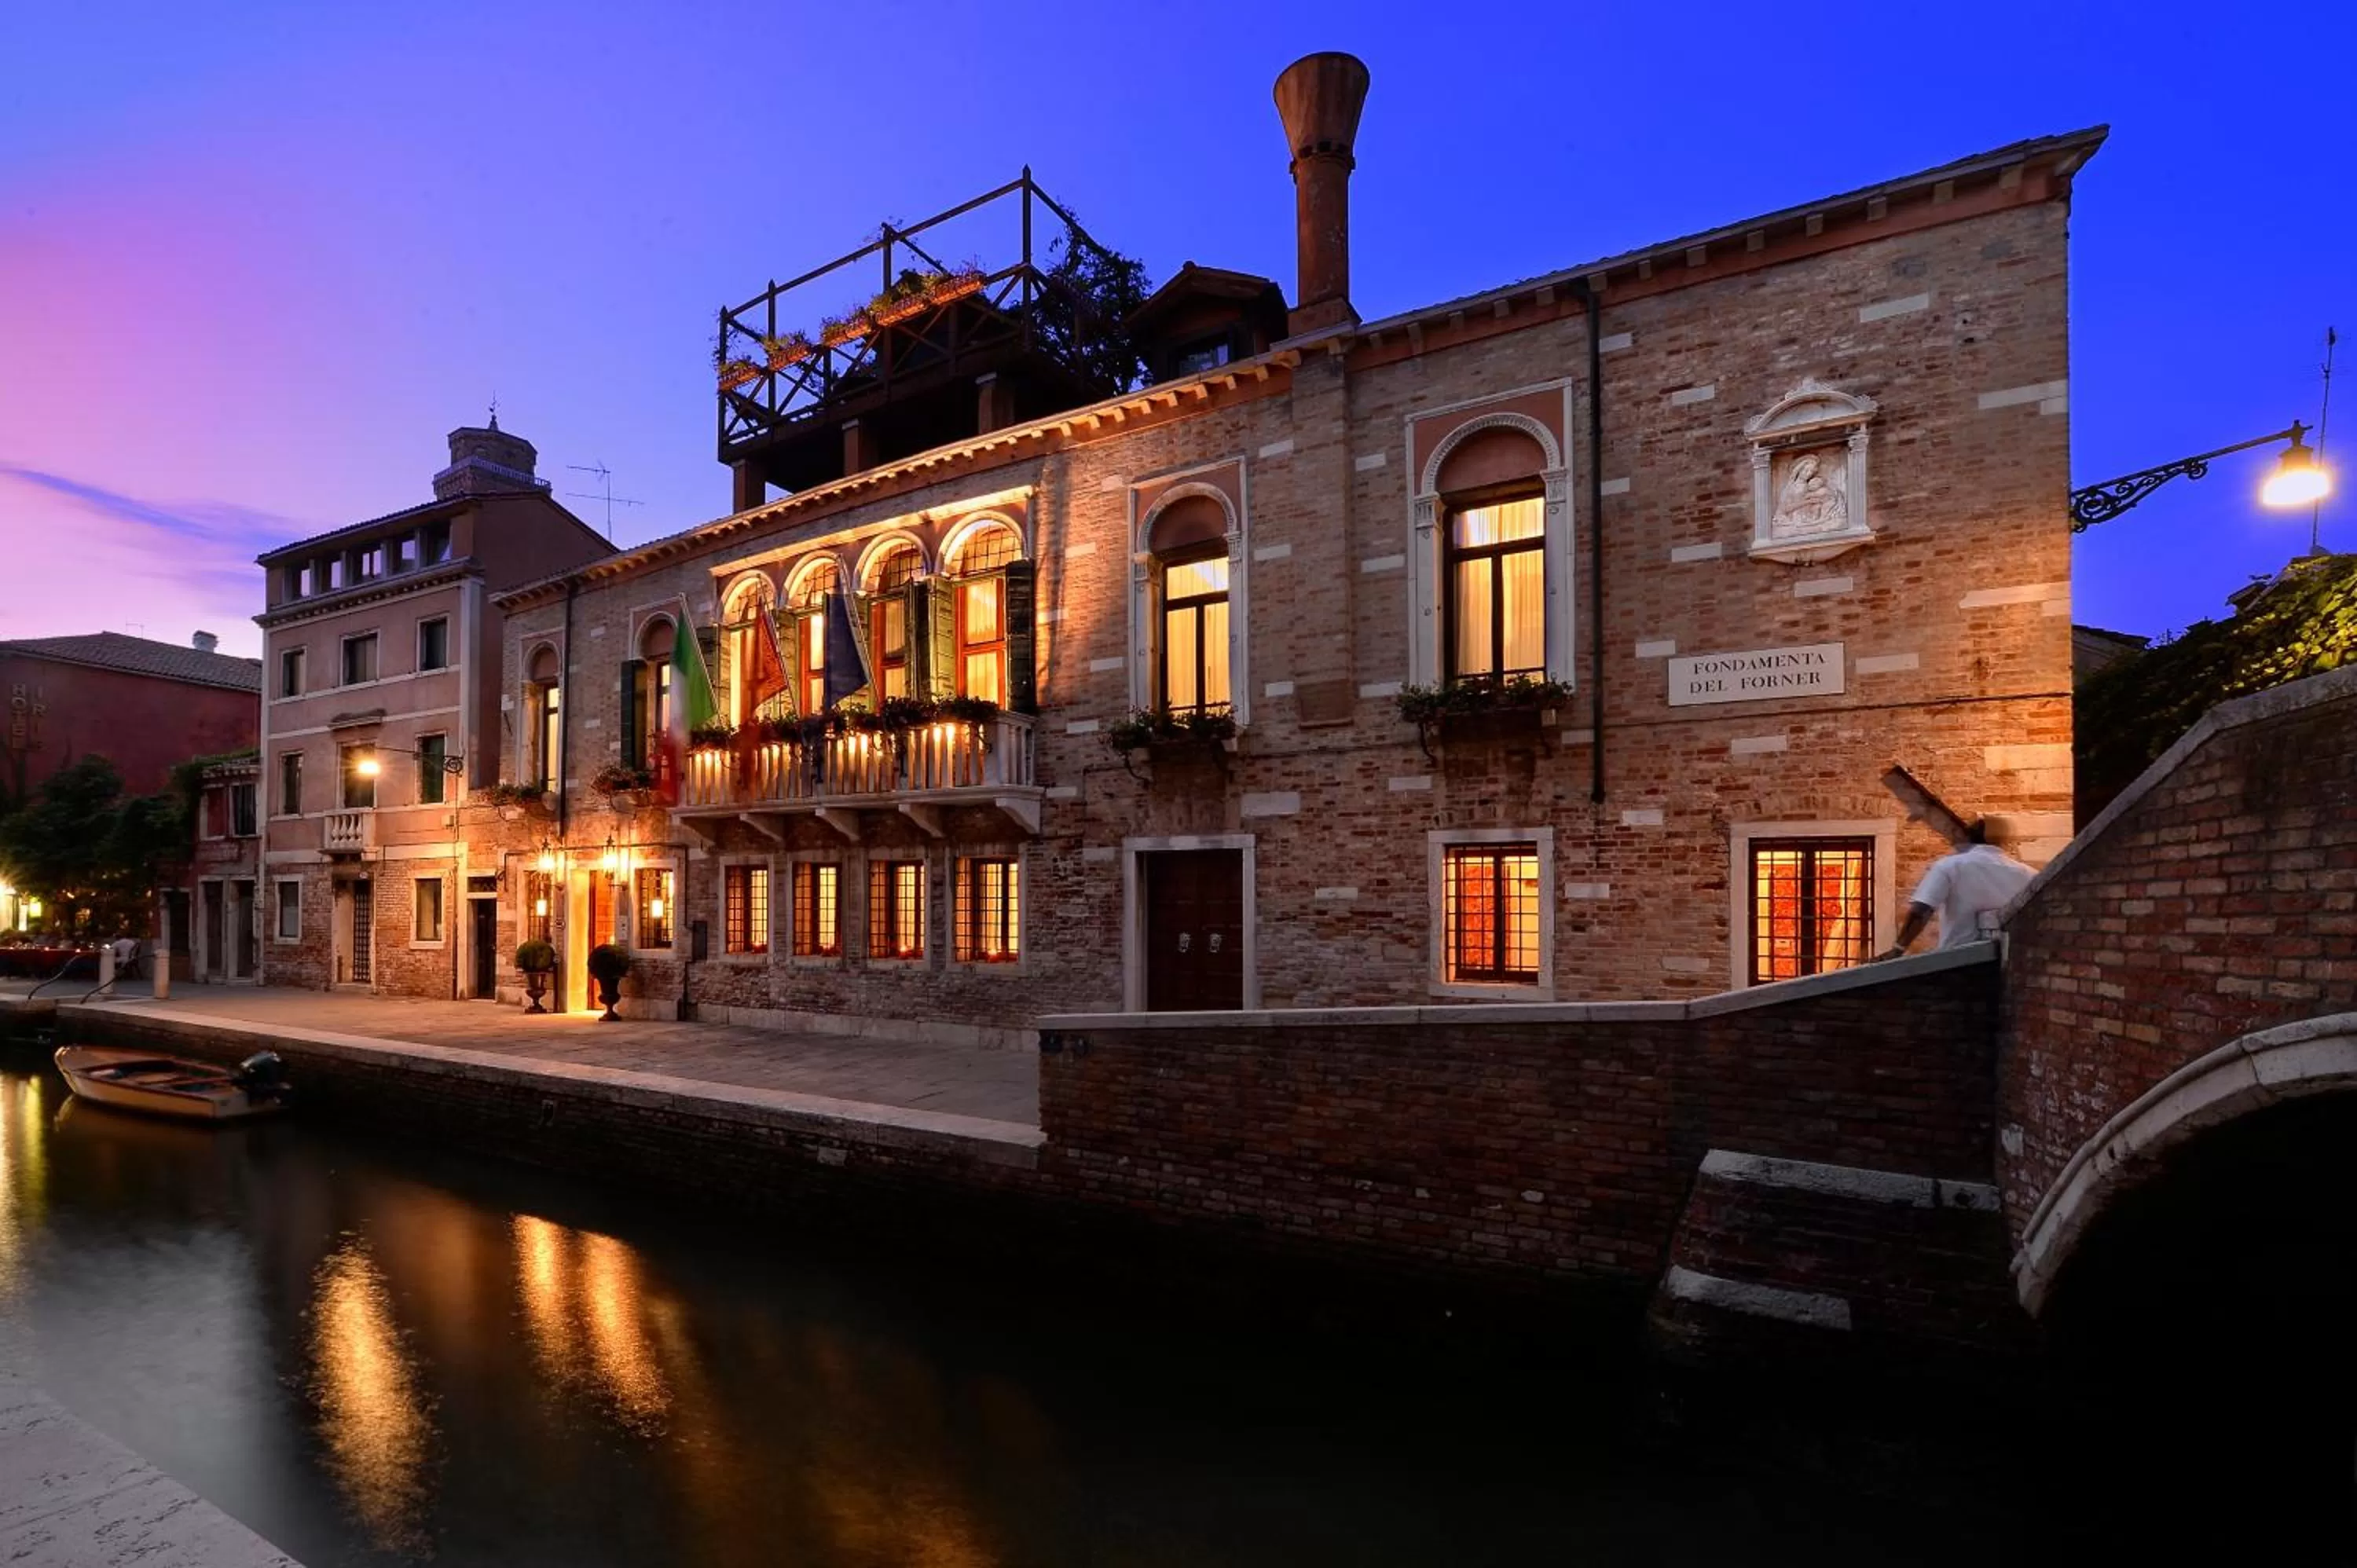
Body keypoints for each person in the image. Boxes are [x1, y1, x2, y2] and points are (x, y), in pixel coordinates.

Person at [1878, 821, 2035, 958]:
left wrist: (1898, 950)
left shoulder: (1949, 866)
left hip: (1958, 960)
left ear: (1969, 839)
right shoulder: (2028, 873)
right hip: (2009, 962)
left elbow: (1921, 910)